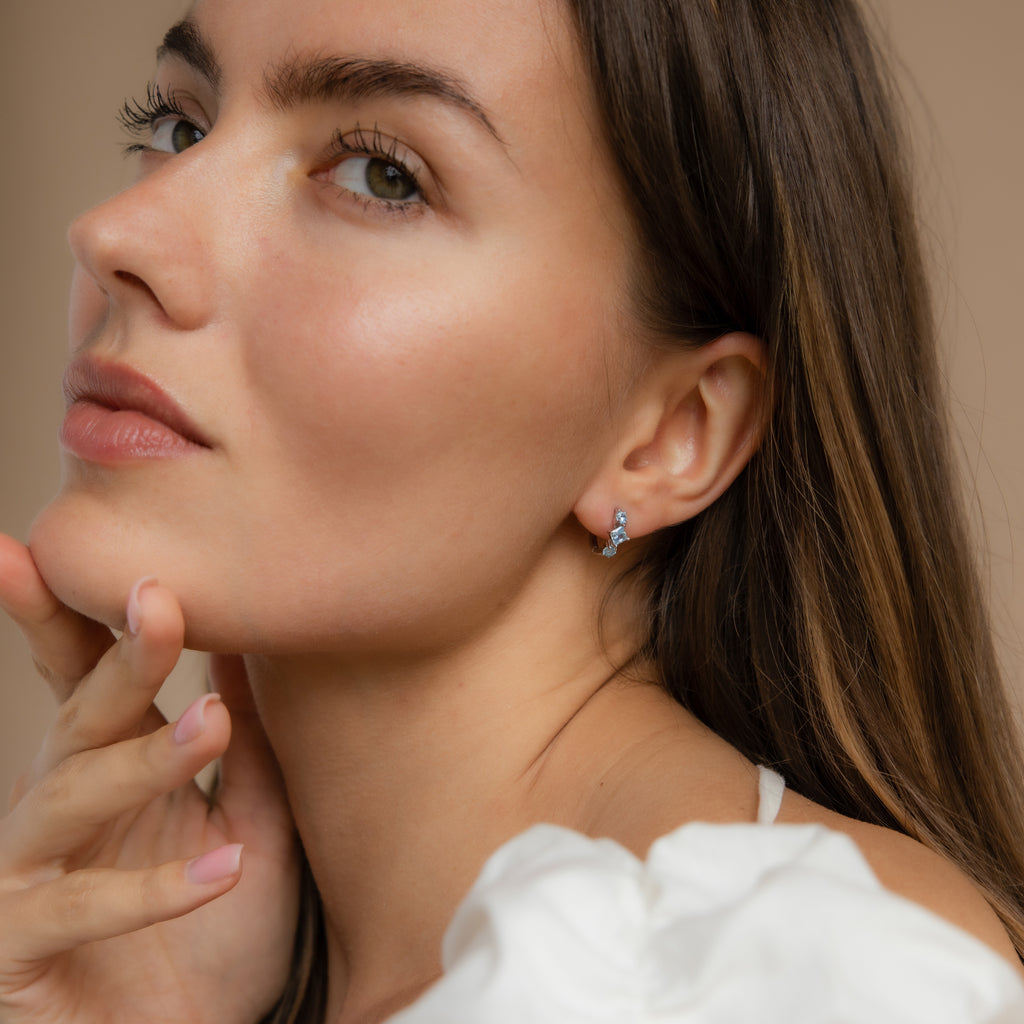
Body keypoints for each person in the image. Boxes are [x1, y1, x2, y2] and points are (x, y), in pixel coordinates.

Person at [1, 0, 1023, 1020]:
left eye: (381, 176)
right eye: (179, 126)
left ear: (671, 434)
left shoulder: (813, 971)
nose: (116, 232)